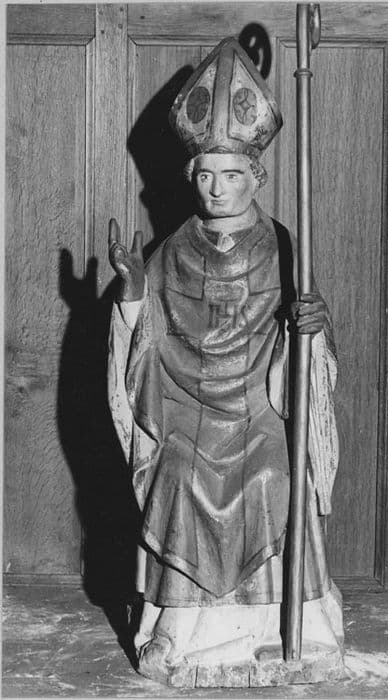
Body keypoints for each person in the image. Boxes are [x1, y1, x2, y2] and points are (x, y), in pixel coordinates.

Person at [108, 37, 343, 685]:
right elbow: (144, 346)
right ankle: (176, 628)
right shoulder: (169, 252)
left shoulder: (287, 247)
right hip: (188, 409)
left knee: (274, 473)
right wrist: (132, 293)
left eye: (232, 175)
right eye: (206, 175)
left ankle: (285, 627)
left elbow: (309, 347)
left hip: (261, 406)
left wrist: (311, 329)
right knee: (178, 472)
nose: (217, 188)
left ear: (255, 177)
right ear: (191, 177)